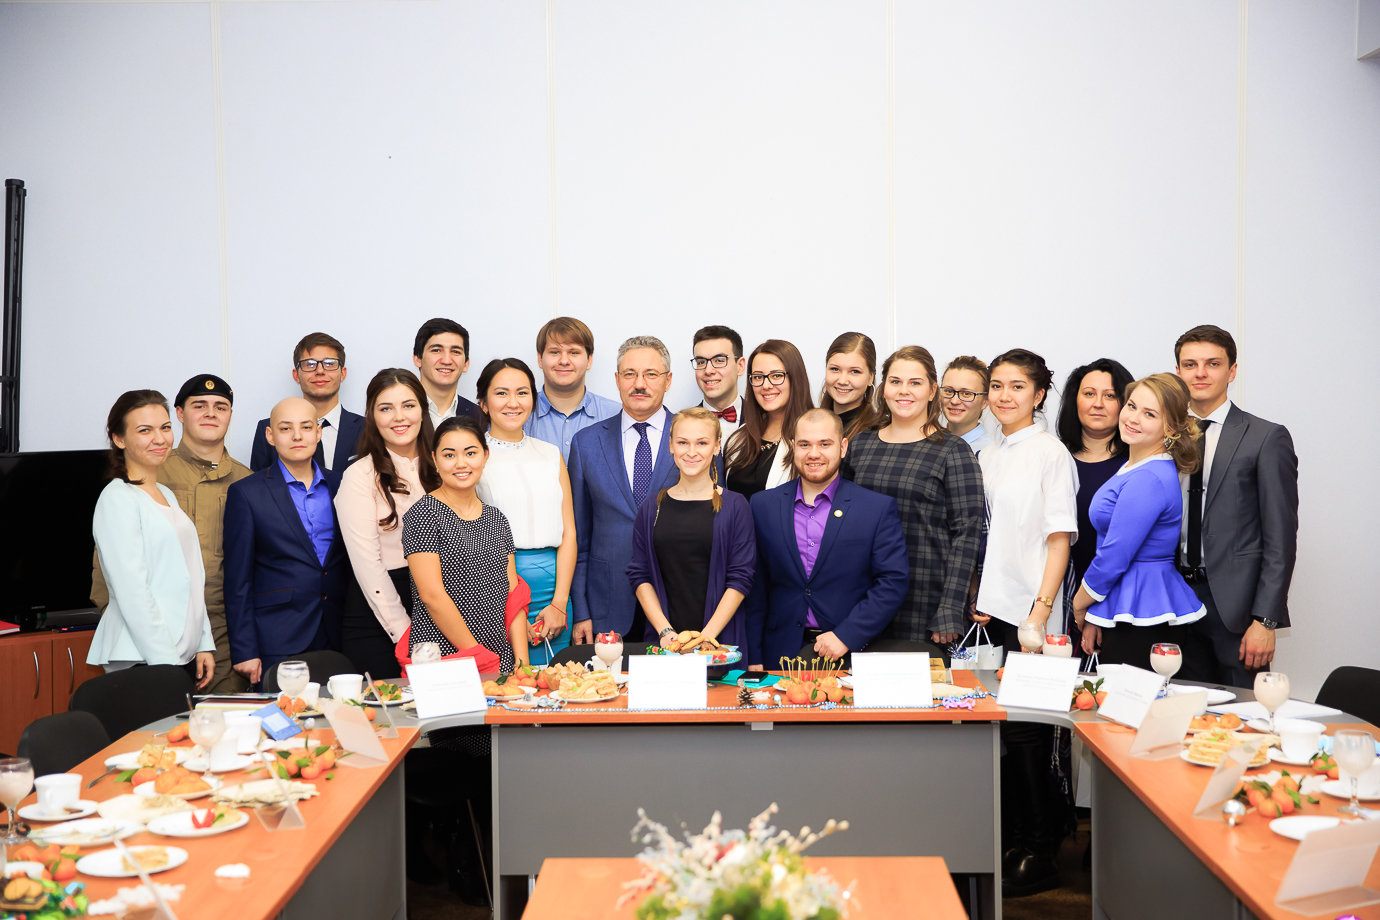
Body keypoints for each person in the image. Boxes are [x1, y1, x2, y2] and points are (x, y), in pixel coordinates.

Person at [973, 348, 1078, 899]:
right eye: (997, 385)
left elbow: (1059, 540)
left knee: (1031, 735)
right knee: (1002, 736)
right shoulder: (989, 452)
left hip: (1031, 617)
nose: (1004, 395)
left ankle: (1041, 851)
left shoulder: (1050, 453)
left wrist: (1039, 612)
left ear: (1038, 395)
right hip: (991, 612)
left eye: (1017, 386)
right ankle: (1012, 840)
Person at [90, 375, 252, 692]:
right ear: (119, 439)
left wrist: (202, 642)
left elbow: (190, 575)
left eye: (164, 428)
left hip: (184, 650)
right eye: (144, 430)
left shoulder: (164, 493)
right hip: (147, 655)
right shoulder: (118, 497)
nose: (159, 438)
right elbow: (131, 590)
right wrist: (166, 664)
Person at [1173, 324, 1297, 687]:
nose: (1200, 373)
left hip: (1237, 610)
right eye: (1190, 364)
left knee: (1244, 714)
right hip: (1176, 600)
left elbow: (1281, 538)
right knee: (1183, 708)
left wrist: (1266, 620)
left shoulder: (1265, 437)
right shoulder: (1164, 434)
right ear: (1178, 372)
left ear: (1232, 371)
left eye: (1212, 363)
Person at [843, 346, 984, 648]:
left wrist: (949, 609)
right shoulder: (861, 445)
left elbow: (967, 535)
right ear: (883, 388)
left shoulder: (953, 451)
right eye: (895, 381)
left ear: (932, 391)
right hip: (863, 599)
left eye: (915, 383)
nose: (903, 391)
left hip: (926, 600)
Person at [746, 409, 909, 668]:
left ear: (843, 447)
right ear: (793, 447)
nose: (814, 454)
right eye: (804, 444)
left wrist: (847, 635)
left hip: (850, 656)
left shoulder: (875, 508)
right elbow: (756, 588)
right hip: (779, 656)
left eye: (824, 444)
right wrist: (753, 657)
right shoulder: (763, 505)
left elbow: (893, 581)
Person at [1072, 374, 1206, 664]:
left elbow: (1115, 555)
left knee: (1128, 692)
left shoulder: (1148, 478)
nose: (1133, 418)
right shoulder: (1137, 466)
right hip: (1126, 603)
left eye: (1149, 414)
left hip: (1144, 609)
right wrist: (1097, 612)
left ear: (1170, 428)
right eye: (1131, 406)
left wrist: (1080, 603)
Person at [225, 397, 349, 685]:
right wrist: (245, 649)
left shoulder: (341, 484)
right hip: (277, 634)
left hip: (337, 630)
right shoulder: (246, 493)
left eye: (306, 427)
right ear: (270, 435)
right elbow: (237, 579)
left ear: (318, 432)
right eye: (285, 428)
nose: (297, 436)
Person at [568, 336, 679, 643]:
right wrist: (581, 610)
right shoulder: (587, 443)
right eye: (630, 374)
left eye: (651, 374)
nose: (639, 384)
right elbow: (578, 536)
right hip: (607, 605)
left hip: (677, 601)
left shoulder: (694, 439)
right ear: (617, 380)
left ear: (668, 380)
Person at [334, 369, 439, 679]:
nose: (399, 417)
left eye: (408, 405)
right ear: (371, 415)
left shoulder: (444, 466)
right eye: (386, 408)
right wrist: (405, 633)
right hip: (378, 617)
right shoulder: (360, 476)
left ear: (423, 410)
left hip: (438, 607)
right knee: (391, 707)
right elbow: (368, 565)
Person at [403, 416, 528, 672]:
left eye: (470, 453)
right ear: (435, 459)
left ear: (485, 455)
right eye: (449, 455)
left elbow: (513, 595)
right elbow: (432, 596)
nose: (461, 463)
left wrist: (522, 663)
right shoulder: (423, 514)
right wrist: (479, 657)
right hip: (444, 658)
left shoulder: (497, 518)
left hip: (499, 658)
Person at [627, 408, 756, 649]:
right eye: (683, 442)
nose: (692, 452)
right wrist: (666, 632)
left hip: (719, 643)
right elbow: (640, 574)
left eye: (702, 443)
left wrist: (705, 638)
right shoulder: (652, 506)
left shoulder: (736, 505)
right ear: (671, 445)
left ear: (717, 446)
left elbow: (740, 578)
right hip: (665, 642)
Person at [476, 357, 576, 666]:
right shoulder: (473, 458)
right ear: (483, 403)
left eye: (522, 392)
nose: (513, 402)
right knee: (507, 683)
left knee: (558, 682)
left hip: (554, 589)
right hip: (496, 589)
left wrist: (559, 603)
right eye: (501, 393)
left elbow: (569, 533)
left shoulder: (550, 454)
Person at [1056, 359, 1135, 600]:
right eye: (1089, 394)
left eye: (1110, 396)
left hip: (1119, 597)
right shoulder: (1053, 458)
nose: (1098, 404)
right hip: (1057, 596)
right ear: (1074, 400)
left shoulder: (1137, 465)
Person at [250, 332, 365, 475]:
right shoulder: (269, 429)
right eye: (310, 364)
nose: (320, 371)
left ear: (343, 373)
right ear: (296, 375)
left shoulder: (368, 428)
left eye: (330, 363)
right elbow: (258, 485)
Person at [724, 340, 813, 499]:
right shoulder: (739, 437)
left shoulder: (813, 438)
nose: (766, 385)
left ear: (795, 378)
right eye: (758, 377)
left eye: (776, 376)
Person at [525, 316, 620, 461]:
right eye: (555, 352)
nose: (564, 361)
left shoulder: (616, 415)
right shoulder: (518, 414)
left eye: (574, 352)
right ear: (540, 359)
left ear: (589, 360)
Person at [412, 317, 486, 429]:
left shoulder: (479, 417)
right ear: (417, 359)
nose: (446, 361)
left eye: (455, 351)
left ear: (466, 364)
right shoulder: (399, 410)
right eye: (436, 350)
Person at [819, 332, 881, 441]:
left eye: (854, 371)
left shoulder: (878, 433)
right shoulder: (809, 425)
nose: (842, 381)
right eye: (835, 369)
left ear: (871, 377)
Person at [691, 325, 746, 444]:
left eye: (719, 360)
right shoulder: (680, 424)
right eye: (701, 362)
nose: (708, 370)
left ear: (740, 366)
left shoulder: (765, 420)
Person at [940, 356, 993, 453]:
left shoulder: (991, 451)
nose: (954, 401)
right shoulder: (926, 443)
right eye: (949, 391)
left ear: (985, 401)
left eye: (966, 393)